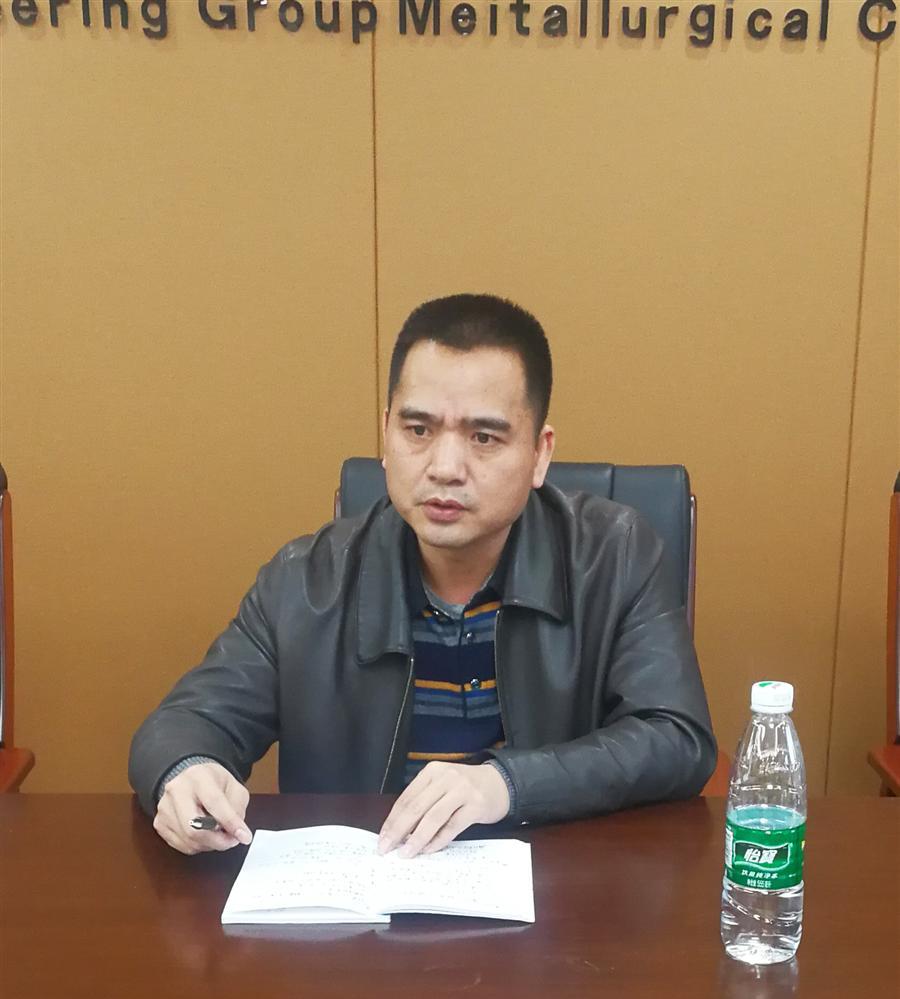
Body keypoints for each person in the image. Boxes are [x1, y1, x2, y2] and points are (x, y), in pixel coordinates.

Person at [129, 293, 716, 857]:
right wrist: (187, 772)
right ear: (386, 433)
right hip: (363, 897)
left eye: (484, 437)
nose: (445, 467)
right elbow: (184, 724)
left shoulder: (615, 556)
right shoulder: (305, 582)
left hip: (555, 895)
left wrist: (507, 783)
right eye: (418, 430)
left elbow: (676, 737)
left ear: (540, 453)